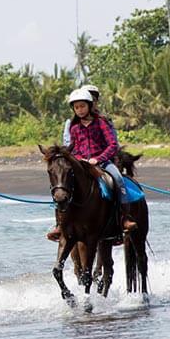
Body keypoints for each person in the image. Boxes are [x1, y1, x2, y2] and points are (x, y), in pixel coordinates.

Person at [47, 88, 128, 241]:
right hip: (82, 164)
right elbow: (73, 147)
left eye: (82, 106)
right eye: (76, 107)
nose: (80, 110)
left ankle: (124, 218)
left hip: (102, 162)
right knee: (61, 184)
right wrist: (78, 159)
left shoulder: (101, 123)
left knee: (117, 179)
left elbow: (112, 145)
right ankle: (60, 224)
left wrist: (98, 158)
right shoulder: (74, 126)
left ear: (90, 106)